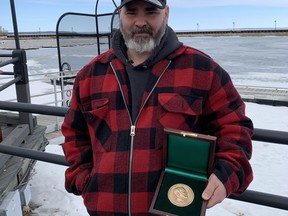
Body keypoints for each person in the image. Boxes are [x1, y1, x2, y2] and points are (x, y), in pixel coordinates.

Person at [61, 0, 254, 215]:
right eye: (131, 12)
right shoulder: (91, 74)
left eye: (150, 12)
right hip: (105, 209)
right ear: (120, 15)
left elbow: (235, 127)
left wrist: (225, 175)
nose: (140, 22)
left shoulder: (203, 70)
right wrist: (85, 179)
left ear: (166, 14)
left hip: (175, 208)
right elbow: (74, 133)